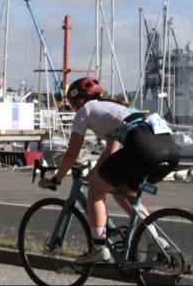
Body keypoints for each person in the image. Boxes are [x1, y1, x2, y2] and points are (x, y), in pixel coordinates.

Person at [39, 77, 180, 263]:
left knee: (96, 191)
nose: (74, 109)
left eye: (73, 105)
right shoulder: (116, 109)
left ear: (79, 101)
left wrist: (56, 179)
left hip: (143, 146)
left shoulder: (85, 111)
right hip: (168, 149)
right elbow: (110, 150)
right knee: (122, 192)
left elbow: (72, 155)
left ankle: (98, 249)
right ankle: (156, 242)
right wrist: (95, 173)